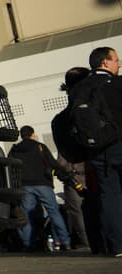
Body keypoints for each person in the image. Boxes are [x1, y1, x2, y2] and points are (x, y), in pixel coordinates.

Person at [72, 46, 122, 255]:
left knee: (108, 196)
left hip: (97, 150)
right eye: (116, 60)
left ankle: (116, 245)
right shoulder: (117, 84)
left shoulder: (79, 88)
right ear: (105, 63)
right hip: (118, 143)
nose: (118, 64)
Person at [9, 126, 72, 252]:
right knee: (54, 212)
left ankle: (27, 243)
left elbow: (11, 167)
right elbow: (53, 163)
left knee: (26, 215)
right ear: (32, 134)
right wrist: (63, 173)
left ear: (21, 135)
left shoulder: (15, 149)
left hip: (25, 185)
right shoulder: (40, 147)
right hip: (43, 184)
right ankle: (65, 241)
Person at [51, 67, 94, 250]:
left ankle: (90, 243)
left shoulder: (59, 119)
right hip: (89, 170)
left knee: (80, 214)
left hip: (72, 174)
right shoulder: (89, 112)